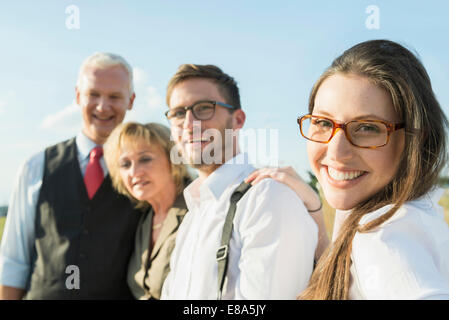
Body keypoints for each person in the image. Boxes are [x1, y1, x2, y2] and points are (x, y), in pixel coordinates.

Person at [248, 39, 449, 299]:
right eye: (322, 122)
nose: (335, 151)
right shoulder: (393, 217)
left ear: (415, 140)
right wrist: (317, 215)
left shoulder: (385, 237)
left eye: (367, 127)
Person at [161, 64, 318, 300]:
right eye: (178, 113)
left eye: (204, 108)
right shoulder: (193, 213)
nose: (189, 123)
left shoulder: (268, 197)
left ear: (238, 119)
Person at [0, 52, 141, 299]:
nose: (102, 106)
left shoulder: (145, 173)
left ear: (130, 100)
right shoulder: (36, 166)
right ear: (78, 96)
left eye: (114, 97)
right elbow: (14, 260)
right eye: (93, 94)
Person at [103, 122, 191, 300]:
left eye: (145, 159)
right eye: (125, 164)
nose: (135, 172)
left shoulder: (199, 207)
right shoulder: (143, 219)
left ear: (173, 159)